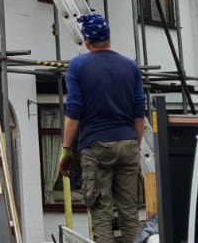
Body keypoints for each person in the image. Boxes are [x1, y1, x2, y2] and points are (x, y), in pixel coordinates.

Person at [59, 13, 146, 243]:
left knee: (101, 214)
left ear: (87, 41)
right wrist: (134, 146)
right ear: (108, 38)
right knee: (130, 213)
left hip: (96, 147)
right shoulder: (130, 66)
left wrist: (66, 149)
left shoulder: (78, 66)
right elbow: (139, 112)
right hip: (128, 143)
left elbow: (74, 110)